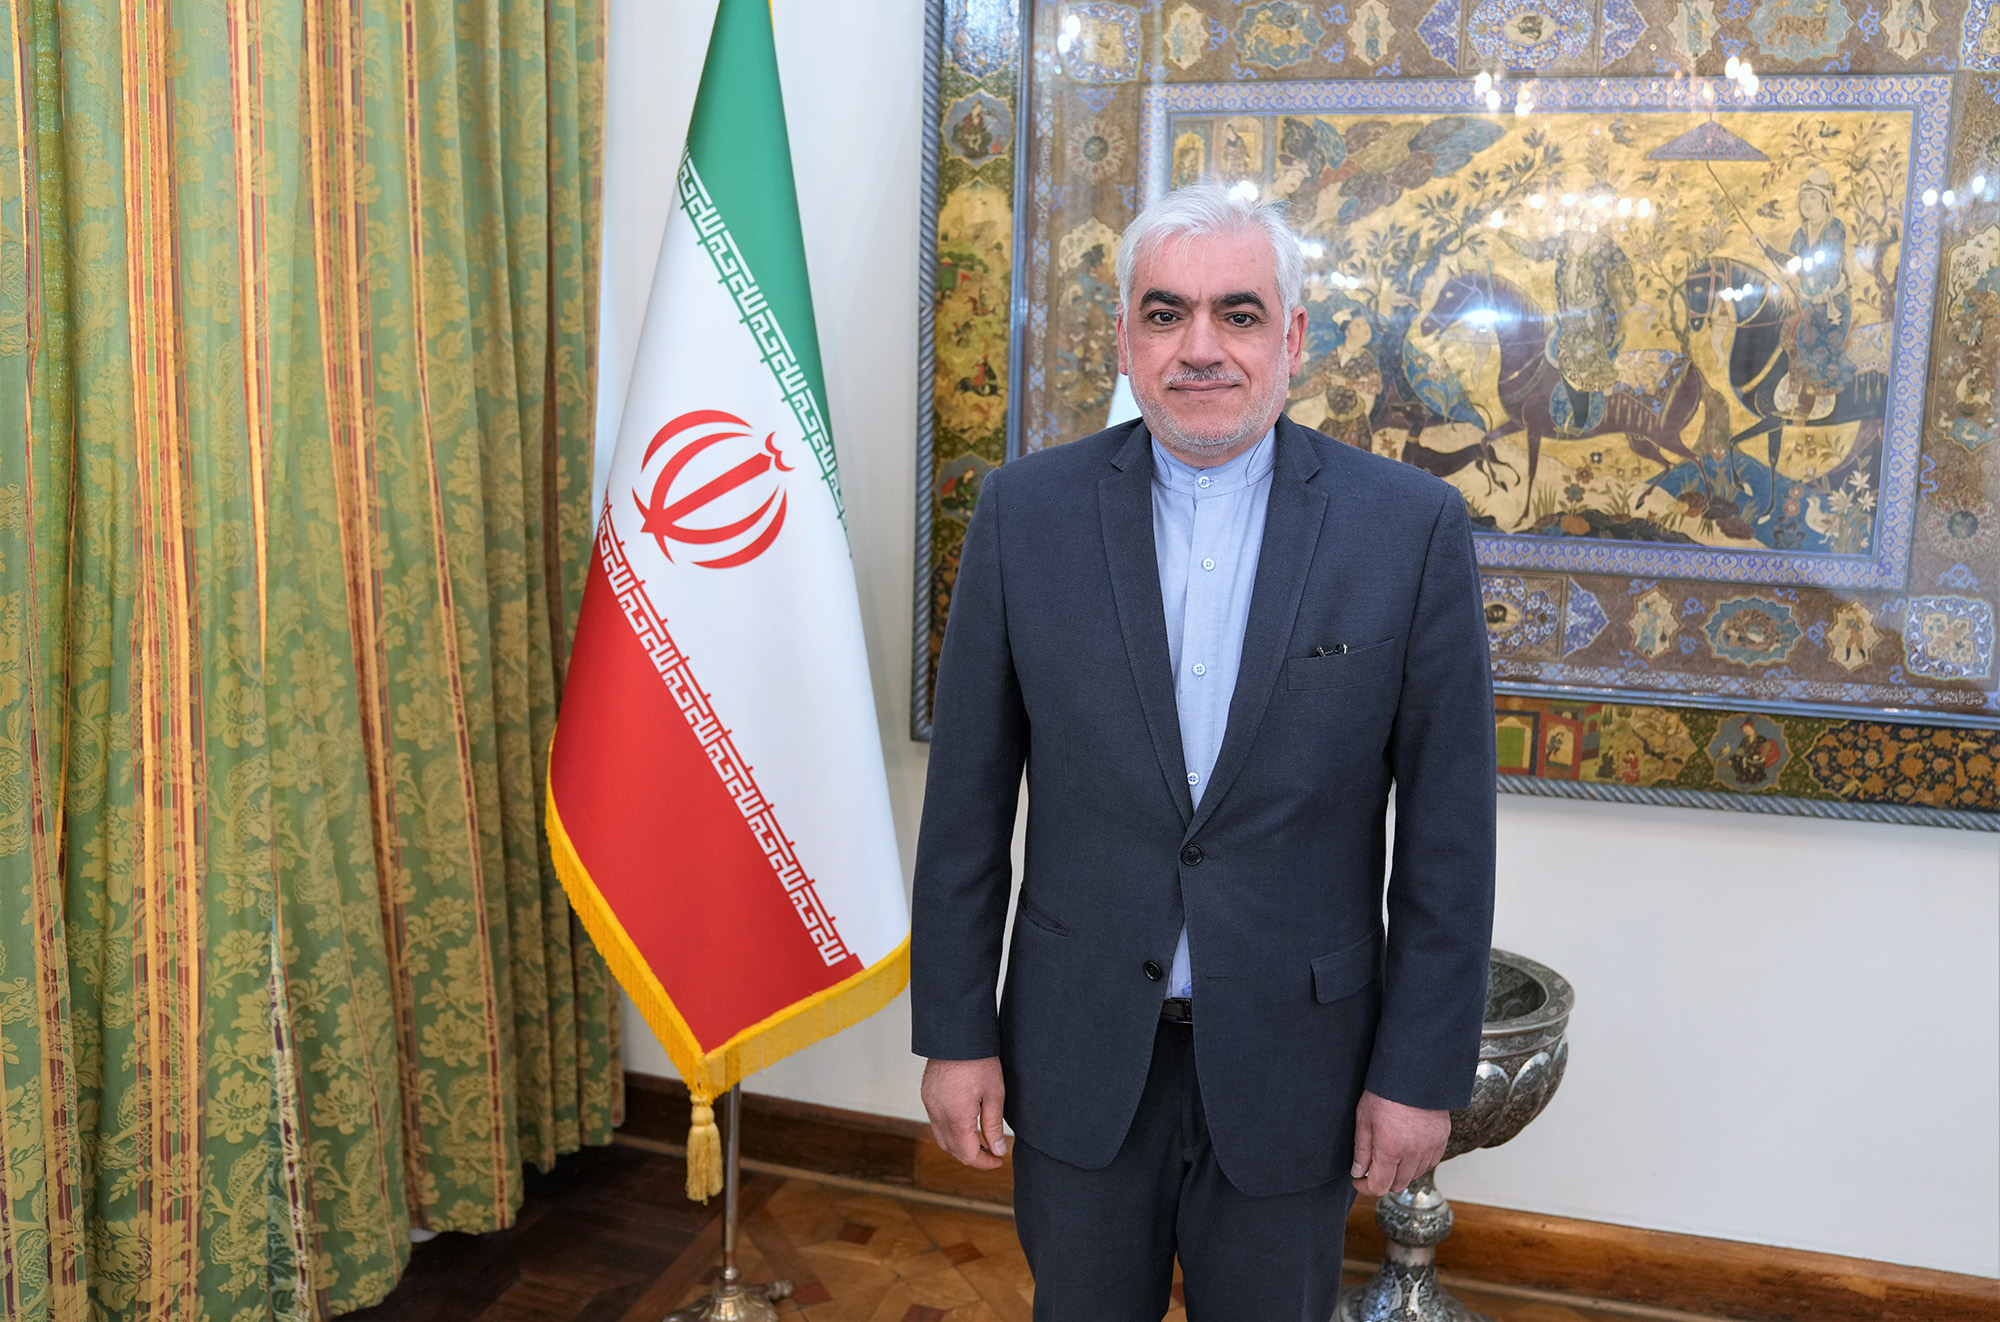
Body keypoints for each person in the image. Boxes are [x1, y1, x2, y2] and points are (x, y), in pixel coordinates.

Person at [911, 183, 1497, 1319]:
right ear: (1124, 337)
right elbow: (965, 810)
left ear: (1292, 338)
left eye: (1237, 313)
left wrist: (1417, 1075)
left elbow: (1448, 839)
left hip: (1299, 1065)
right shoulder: (1024, 513)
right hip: (1076, 1050)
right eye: (1165, 312)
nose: (1200, 347)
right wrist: (955, 1033)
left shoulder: (1406, 528)